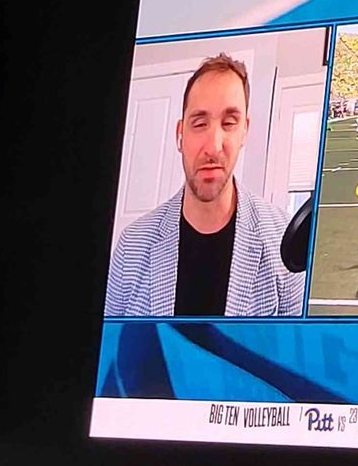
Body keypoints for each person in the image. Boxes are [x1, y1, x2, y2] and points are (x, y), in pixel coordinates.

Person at [105, 53, 302, 316]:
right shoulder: (132, 246)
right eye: (199, 123)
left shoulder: (284, 246)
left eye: (229, 123)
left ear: (244, 130)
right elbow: (108, 353)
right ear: (180, 134)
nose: (213, 146)